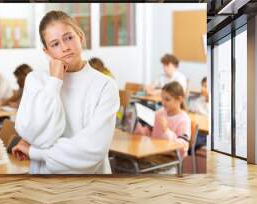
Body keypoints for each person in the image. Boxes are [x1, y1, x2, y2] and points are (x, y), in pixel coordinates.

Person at [11, 11, 120, 174]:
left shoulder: (105, 85)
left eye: (69, 37)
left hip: (91, 187)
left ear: (80, 37)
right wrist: (54, 81)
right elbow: (31, 133)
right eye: (55, 44)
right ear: (47, 52)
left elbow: (92, 150)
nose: (65, 47)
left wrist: (36, 152)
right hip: (45, 188)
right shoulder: (36, 80)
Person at [135, 81, 191, 157]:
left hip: (169, 157)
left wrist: (166, 131)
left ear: (179, 100)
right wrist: (135, 125)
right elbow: (149, 133)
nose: (163, 102)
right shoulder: (160, 112)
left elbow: (183, 147)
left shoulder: (184, 119)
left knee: (134, 165)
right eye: (162, 99)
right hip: (153, 151)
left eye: (167, 99)